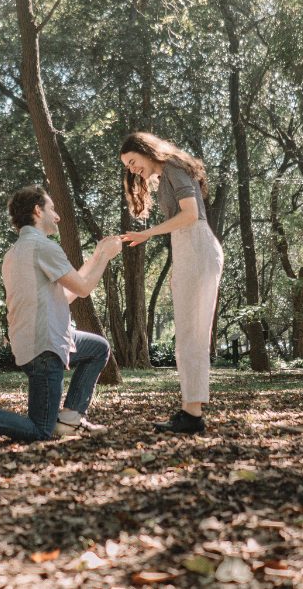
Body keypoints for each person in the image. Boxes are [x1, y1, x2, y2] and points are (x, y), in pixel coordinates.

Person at [0, 185, 123, 442]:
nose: (57, 216)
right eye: (52, 209)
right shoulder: (43, 247)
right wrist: (106, 257)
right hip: (45, 346)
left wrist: (98, 255)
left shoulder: (15, 253)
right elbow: (82, 288)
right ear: (38, 210)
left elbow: (65, 295)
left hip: (40, 340)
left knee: (98, 348)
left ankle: (70, 419)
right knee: (40, 429)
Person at [119, 132, 223, 434]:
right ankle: (191, 411)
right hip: (188, 251)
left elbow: (190, 215)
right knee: (188, 336)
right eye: (127, 166)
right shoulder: (165, 175)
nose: (132, 169)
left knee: (193, 336)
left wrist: (147, 234)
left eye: (133, 162)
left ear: (146, 151)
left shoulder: (174, 167)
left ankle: (192, 415)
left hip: (197, 248)